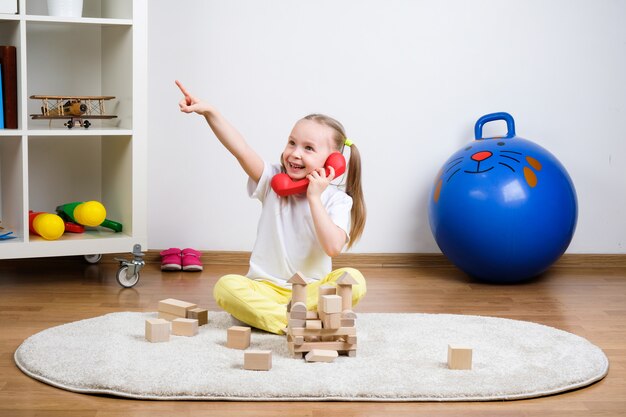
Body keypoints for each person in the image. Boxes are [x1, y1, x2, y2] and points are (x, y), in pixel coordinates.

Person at [176, 80, 367, 334]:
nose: (295, 153)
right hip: (263, 288)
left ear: (333, 161)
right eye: (292, 143)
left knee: (356, 280)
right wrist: (210, 112)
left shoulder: (337, 200)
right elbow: (241, 149)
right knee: (225, 286)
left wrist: (313, 198)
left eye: (308, 148)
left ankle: (280, 317)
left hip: (310, 289)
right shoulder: (271, 180)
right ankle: (293, 321)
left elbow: (332, 247)